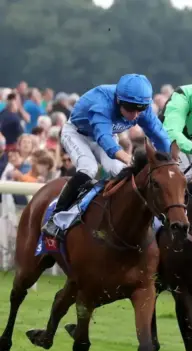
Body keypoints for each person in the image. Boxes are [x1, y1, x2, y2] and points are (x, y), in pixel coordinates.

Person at [43, 73, 171, 238]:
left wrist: (167, 161)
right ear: (118, 101)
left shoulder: (140, 108)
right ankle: (55, 218)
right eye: (130, 109)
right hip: (77, 134)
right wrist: (127, 157)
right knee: (88, 168)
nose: (135, 115)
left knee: (120, 172)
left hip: (105, 136)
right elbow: (104, 138)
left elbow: (160, 136)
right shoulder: (101, 103)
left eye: (140, 109)